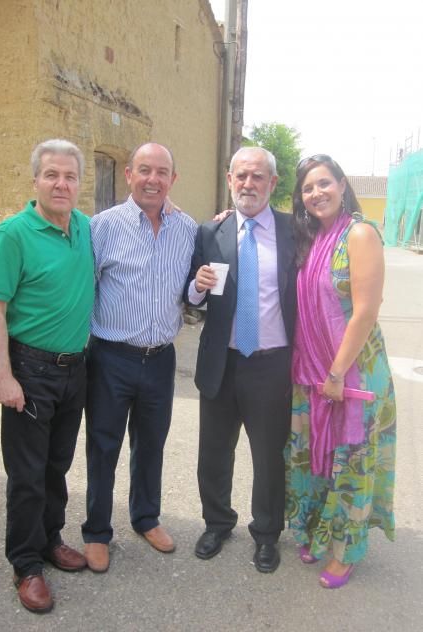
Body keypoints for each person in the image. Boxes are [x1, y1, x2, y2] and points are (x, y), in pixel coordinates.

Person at [0, 139, 94, 613]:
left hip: (75, 369)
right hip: (29, 371)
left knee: (56, 466)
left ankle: (50, 539)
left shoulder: (85, 227)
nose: (61, 184)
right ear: (35, 181)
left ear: (80, 183)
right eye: (52, 175)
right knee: (27, 475)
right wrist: (2, 376)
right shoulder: (12, 234)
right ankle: (26, 564)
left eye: (70, 176)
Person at [82, 142, 197, 572]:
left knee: (151, 444)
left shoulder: (187, 229)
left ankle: (146, 517)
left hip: (160, 358)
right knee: (103, 446)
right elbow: (85, 287)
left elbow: (194, 285)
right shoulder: (102, 227)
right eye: (144, 170)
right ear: (129, 174)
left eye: (162, 172)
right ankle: (97, 531)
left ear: (172, 179)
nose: (153, 179)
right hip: (111, 357)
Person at [285, 154, 396, 588]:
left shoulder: (360, 234)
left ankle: (344, 551)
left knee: (351, 460)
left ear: (343, 185)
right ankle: (318, 530)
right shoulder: (312, 237)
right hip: (311, 369)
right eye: (308, 188)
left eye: (324, 183)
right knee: (316, 455)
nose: (317, 193)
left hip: (352, 372)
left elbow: (366, 311)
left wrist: (336, 374)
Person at [185, 146, 297, 573]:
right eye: (241, 176)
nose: (248, 184)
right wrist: (197, 285)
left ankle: (267, 534)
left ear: (272, 183)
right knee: (214, 453)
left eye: (258, 176)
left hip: (271, 365)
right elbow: (193, 297)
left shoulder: (293, 230)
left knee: (269, 456)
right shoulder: (209, 231)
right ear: (229, 180)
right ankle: (217, 523)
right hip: (222, 361)